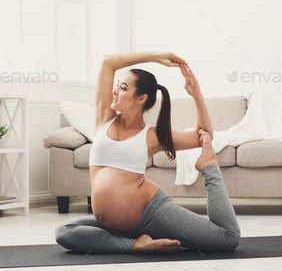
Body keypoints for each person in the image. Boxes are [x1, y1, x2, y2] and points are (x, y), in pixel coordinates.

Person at [55, 52, 241, 253]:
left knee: (227, 238)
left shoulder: (152, 135)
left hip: (152, 213)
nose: (115, 91)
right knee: (65, 232)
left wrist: (195, 94)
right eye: (118, 85)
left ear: (141, 98)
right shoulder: (104, 117)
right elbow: (108, 63)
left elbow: (203, 136)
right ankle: (137, 245)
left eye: (123, 88)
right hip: (115, 225)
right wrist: (156, 57)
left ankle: (209, 167)